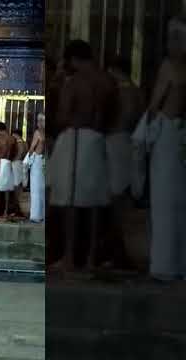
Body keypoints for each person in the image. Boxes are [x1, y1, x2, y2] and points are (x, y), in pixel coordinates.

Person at [48, 40, 117, 271]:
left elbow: (62, 115)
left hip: (76, 138)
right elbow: (112, 115)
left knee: (71, 202)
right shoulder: (108, 81)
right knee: (95, 200)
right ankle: (90, 258)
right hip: (99, 139)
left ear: (72, 60)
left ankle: (68, 256)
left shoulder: (74, 82)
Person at [135, 14, 186, 281]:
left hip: (167, 133)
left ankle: (164, 265)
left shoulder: (170, 66)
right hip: (180, 133)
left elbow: (156, 104)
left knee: (165, 201)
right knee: (179, 202)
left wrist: (145, 137)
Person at [104, 56, 144, 268]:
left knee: (115, 198)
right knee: (123, 196)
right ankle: (119, 250)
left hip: (117, 142)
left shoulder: (121, 92)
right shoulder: (137, 91)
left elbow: (123, 118)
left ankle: (117, 252)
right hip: (130, 143)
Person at [26, 113, 46, 223]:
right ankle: (42, 213)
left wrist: (28, 160)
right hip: (43, 160)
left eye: (40, 120)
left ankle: (35, 215)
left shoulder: (38, 133)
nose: (38, 123)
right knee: (42, 188)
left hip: (37, 160)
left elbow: (32, 147)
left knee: (35, 189)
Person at [11, 129, 27, 215]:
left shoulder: (19, 143)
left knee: (16, 185)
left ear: (16, 135)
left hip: (17, 163)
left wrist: (13, 160)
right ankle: (17, 207)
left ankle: (16, 208)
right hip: (22, 164)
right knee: (19, 185)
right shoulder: (25, 143)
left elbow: (20, 153)